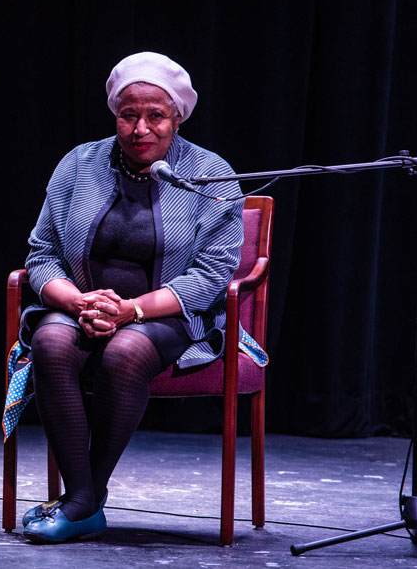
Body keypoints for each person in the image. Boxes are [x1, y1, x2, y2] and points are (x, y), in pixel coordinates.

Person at [14, 52, 244, 543]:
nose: (141, 127)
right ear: (115, 114)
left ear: (178, 116)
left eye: (155, 116)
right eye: (128, 114)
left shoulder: (208, 173)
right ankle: (84, 502)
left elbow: (212, 275)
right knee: (51, 345)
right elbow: (41, 254)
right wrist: (77, 303)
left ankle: (82, 500)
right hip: (81, 306)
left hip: (168, 316)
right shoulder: (79, 163)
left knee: (127, 349)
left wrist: (131, 311)